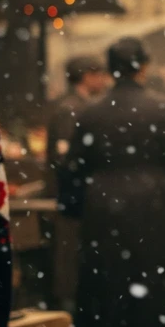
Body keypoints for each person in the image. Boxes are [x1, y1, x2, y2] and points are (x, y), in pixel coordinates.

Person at [63, 37, 165, 327]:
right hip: (151, 205)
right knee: (152, 282)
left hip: (103, 206)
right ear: (143, 67)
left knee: (108, 282)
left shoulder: (91, 112)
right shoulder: (162, 108)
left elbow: (74, 165)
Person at [48, 56, 109, 312]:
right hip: (73, 195)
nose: (104, 80)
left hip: (78, 194)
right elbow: (65, 156)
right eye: (99, 74)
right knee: (70, 257)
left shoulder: (79, 105)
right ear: (86, 76)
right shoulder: (71, 108)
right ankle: (71, 313)